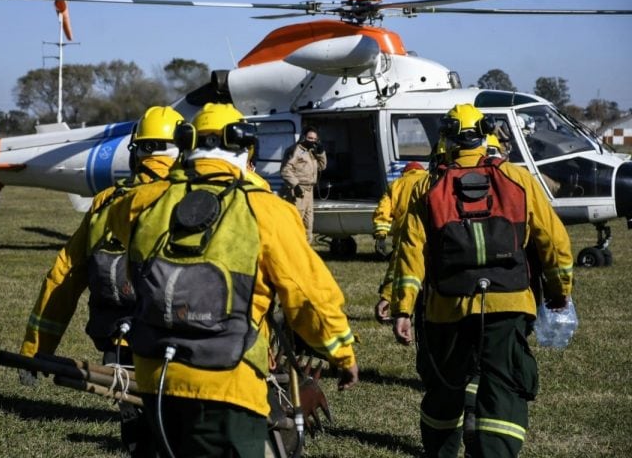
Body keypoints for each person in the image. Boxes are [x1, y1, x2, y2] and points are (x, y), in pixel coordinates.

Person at [106, 103, 358, 457]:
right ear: (245, 148)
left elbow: (120, 219)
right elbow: (309, 295)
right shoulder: (268, 211)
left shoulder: (141, 205)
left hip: (155, 381)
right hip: (229, 386)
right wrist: (342, 354)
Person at [391, 104, 574, 458]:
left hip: (447, 308)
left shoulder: (427, 186)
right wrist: (559, 291)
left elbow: (410, 252)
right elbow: (554, 240)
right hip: (510, 304)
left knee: (445, 388)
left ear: (445, 140)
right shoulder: (518, 180)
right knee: (503, 387)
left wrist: (402, 309)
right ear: (486, 136)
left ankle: (441, 452)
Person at [20, 106, 184, 364]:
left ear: (135, 153)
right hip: (180, 344)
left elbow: (64, 273)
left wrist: (35, 350)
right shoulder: (195, 200)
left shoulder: (106, 202)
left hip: (116, 342)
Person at [371, 161, 427, 323]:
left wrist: (381, 234)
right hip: (426, 236)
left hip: (404, 236)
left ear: (405, 172)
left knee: (399, 272)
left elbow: (383, 210)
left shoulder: (396, 184)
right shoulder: (430, 180)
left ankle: (389, 304)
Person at [280, 126, 327, 243]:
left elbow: (322, 166)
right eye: (309, 138)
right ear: (303, 137)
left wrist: (321, 153)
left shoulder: (311, 152)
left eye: (314, 139)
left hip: (309, 191)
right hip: (298, 191)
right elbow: (286, 170)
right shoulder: (295, 150)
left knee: (308, 223)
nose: (312, 141)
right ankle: (291, 249)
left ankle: (306, 251)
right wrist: (295, 186)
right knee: (296, 221)